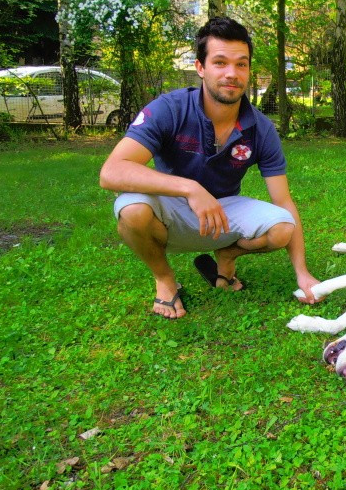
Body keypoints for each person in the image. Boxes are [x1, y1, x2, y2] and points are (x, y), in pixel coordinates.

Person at [100, 17, 320, 319]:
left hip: (223, 212)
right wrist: (190, 189)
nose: (232, 73)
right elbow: (111, 171)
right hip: (170, 212)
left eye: (241, 64)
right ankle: (164, 279)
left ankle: (227, 255)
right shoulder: (169, 109)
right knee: (132, 208)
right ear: (200, 67)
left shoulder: (261, 127)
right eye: (220, 62)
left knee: (283, 226)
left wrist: (302, 273)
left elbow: (283, 201)